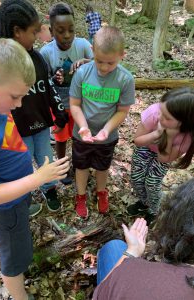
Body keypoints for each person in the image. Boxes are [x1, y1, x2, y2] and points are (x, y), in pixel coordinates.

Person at [0, 38, 69, 300]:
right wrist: (37, 179)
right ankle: (19, 295)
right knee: (14, 256)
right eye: (16, 97)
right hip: (5, 207)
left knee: (18, 241)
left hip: (17, 194)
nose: (18, 104)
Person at [0, 0, 69, 213]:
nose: (37, 36)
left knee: (46, 157)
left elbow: (47, 85)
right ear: (17, 31)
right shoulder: (2, 63)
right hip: (18, 129)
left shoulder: (36, 57)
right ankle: (22, 197)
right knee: (22, 164)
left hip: (41, 123)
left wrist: (58, 109)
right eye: (33, 32)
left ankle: (48, 188)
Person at [70, 26, 135, 218]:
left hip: (107, 136)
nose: (104, 67)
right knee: (81, 166)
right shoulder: (82, 73)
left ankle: (101, 192)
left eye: (110, 63)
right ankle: (81, 196)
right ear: (92, 50)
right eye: (99, 61)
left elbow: (123, 110)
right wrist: (83, 126)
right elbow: (74, 105)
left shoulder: (125, 79)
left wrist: (107, 129)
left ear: (123, 55)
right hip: (82, 133)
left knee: (102, 166)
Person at [93, 179, 194, 300]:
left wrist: (130, 253)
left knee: (114, 247)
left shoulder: (137, 275)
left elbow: (99, 295)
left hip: (131, 279)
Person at [40, 2, 93, 185]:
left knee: (80, 138)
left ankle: (80, 165)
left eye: (71, 29)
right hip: (59, 106)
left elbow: (100, 69)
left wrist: (87, 62)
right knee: (61, 139)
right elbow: (43, 82)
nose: (67, 35)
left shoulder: (84, 45)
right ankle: (62, 168)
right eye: (61, 31)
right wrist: (53, 79)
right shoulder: (46, 53)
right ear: (51, 30)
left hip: (81, 104)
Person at [128, 87, 194, 223]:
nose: (160, 117)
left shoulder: (186, 137)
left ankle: (154, 209)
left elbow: (163, 158)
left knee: (152, 183)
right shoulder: (155, 113)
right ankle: (143, 202)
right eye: (161, 112)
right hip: (146, 146)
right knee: (136, 177)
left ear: (183, 122)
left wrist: (169, 137)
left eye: (167, 118)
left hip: (164, 152)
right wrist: (157, 134)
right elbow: (138, 141)